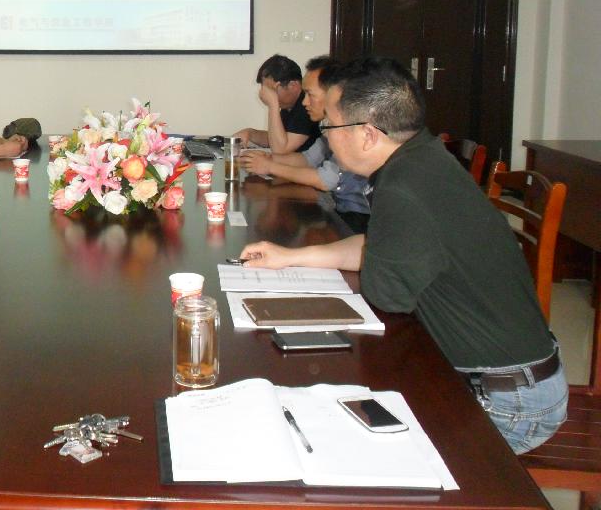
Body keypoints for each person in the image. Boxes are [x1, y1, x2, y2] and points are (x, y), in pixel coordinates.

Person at [238, 57, 567, 455]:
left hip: (506, 403)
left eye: (330, 127)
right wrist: (290, 256)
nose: (327, 137)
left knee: (343, 450)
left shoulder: (402, 188)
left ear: (367, 135)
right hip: (504, 376)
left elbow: (386, 294)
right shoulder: (420, 158)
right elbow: (377, 244)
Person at [240, 56, 370, 234]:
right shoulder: (328, 127)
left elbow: (326, 180)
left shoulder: (348, 130)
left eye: (310, 94)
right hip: (339, 209)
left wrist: (270, 166)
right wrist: (265, 159)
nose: (304, 102)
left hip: (357, 219)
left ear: (334, 93)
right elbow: (307, 159)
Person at [232, 54, 320, 154]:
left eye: (271, 90)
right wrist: (250, 133)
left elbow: (281, 149)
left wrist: (273, 105)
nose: (267, 94)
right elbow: (278, 139)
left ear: (293, 85)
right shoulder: (288, 106)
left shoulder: (307, 107)